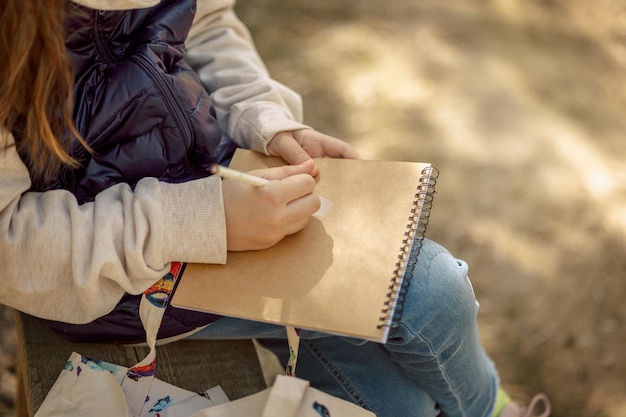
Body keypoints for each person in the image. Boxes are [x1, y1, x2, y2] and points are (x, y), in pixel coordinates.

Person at [0, 0, 550, 416]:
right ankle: (491, 410)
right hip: (110, 273)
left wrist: (268, 121)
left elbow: (209, 28)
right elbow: (10, 245)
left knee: (401, 403)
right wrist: (197, 220)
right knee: (432, 291)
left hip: (220, 185)